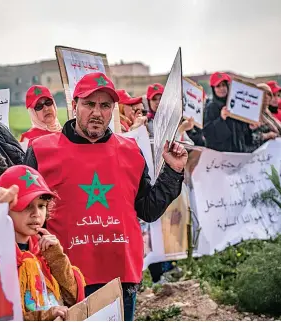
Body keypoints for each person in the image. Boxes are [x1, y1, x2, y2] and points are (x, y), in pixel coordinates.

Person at [24, 72, 188, 321]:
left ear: (113, 109)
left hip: (120, 279)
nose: (97, 112)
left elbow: (148, 210)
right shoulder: (41, 151)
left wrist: (172, 171)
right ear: (75, 105)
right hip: (64, 280)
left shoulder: (131, 151)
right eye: (89, 104)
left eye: (105, 105)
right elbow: (29, 216)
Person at [0, 165, 85, 321]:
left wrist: (57, 258)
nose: (36, 214)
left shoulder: (45, 250)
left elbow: (72, 298)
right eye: (27, 206)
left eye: (41, 206)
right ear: (5, 209)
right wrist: (46, 316)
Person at [203, 72, 252, 152]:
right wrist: (221, 119)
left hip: (239, 153)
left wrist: (250, 127)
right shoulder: (211, 107)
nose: (222, 88)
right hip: (221, 157)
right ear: (213, 89)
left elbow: (242, 130)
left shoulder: (235, 104)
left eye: (224, 85)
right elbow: (208, 133)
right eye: (218, 86)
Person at [248, 83, 281, 151]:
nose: (266, 96)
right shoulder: (251, 114)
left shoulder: (269, 115)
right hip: (261, 154)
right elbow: (248, 138)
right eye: (263, 93)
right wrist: (267, 136)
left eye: (269, 94)